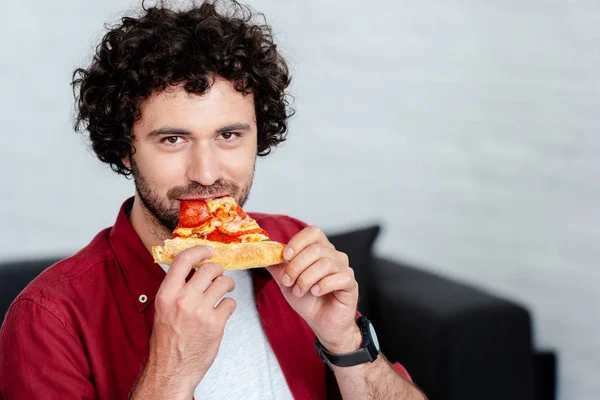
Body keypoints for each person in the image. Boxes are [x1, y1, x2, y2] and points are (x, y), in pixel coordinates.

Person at [0, 2, 425, 399]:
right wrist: (171, 372)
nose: (206, 174)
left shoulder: (292, 244)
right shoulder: (48, 318)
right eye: (173, 139)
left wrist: (345, 342)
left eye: (228, 135)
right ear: (124, 148)